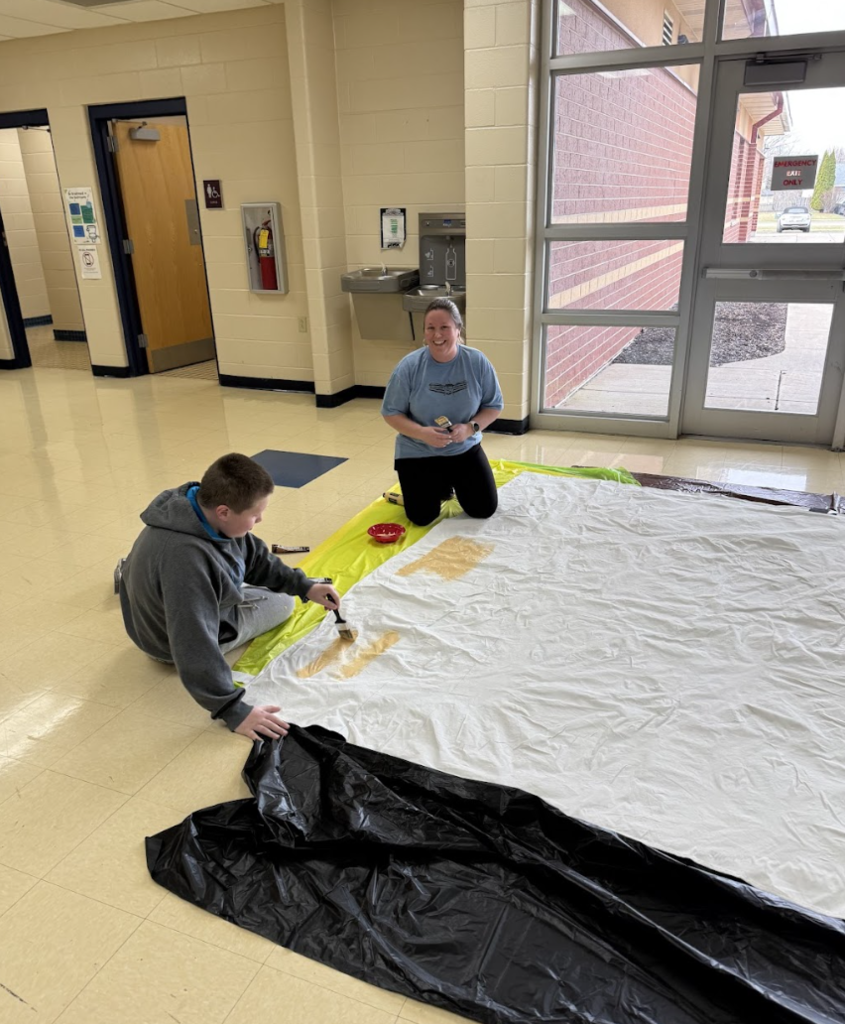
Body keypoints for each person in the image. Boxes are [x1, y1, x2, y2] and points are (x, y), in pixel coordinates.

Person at [115, 453, 339, 740]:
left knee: (268, 585)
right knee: (282, 602)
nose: (259, 520)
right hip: (167, 645)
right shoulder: (186, 560)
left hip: (157, 619)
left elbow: (255, 558)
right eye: (255, 515)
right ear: (224, 511)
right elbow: (192, 640)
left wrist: (304, 586)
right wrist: (233, 709)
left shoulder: (195, 509)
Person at [381, 298, 504, 526]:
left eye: (444, 327)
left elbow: (493, 405)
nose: (438, 335)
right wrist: (422, 433)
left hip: (464, 448)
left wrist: (470, 428)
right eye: (431, 328)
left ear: (458, 330)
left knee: (483, 509)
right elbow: (391, 413)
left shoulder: (476, 361)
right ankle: (431, 486)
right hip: (418, 451)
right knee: (422, 517)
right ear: (424, 333)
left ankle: (445, 482)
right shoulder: (409, 367)